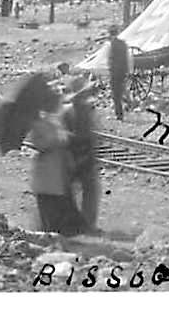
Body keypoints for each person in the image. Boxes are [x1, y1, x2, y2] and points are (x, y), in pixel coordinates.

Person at [25, 77, 84, 235]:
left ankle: (64, 233)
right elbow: (41, 144)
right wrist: (60, 139)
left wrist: (66, 137)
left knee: (60, 207)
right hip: (46, 176)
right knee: (49, 210)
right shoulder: (38, 124)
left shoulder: (53, 120)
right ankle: (49, 236)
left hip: (58, 173)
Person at [61, 75, 100, 232]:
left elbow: (91, 135)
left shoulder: (86, 111)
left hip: (84, 156)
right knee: (71, 193)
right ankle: (74, 225)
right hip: (72, 157)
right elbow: (63, 136)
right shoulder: (68, 113)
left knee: (90, 190)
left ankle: (86, 224)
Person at [107, 25, 131, 121]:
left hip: (115, 72)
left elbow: (111, 59)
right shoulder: (123, 43)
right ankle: (127, 103)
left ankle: (119, 114)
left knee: (116, 94)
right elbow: (127, 58)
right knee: (121, 90)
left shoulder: (112, 44)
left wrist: (110, 69)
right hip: (123, 71)